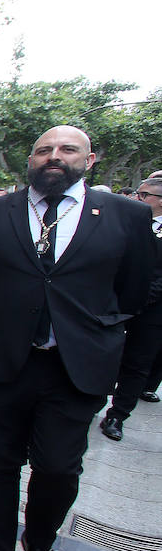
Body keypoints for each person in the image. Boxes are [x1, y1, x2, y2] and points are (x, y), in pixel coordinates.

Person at [0, 125, 152, 551]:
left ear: (90, 158)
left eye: (67, 150)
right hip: (4, 363)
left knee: (59, 468)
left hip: (76, 367)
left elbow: (135, 290)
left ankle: (40, 550)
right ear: (31, 159)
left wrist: (89, 328)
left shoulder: (127, 215)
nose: (54, 157)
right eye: (44, 150)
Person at [99, 178, 162, 441]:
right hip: (114, 303)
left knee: (138, 363)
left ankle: (118, 415)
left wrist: (139, 299)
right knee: (102, 352)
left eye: (144, 194)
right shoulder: (128, 222)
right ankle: (92, 397)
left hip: (152, 310)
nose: (137, 197)